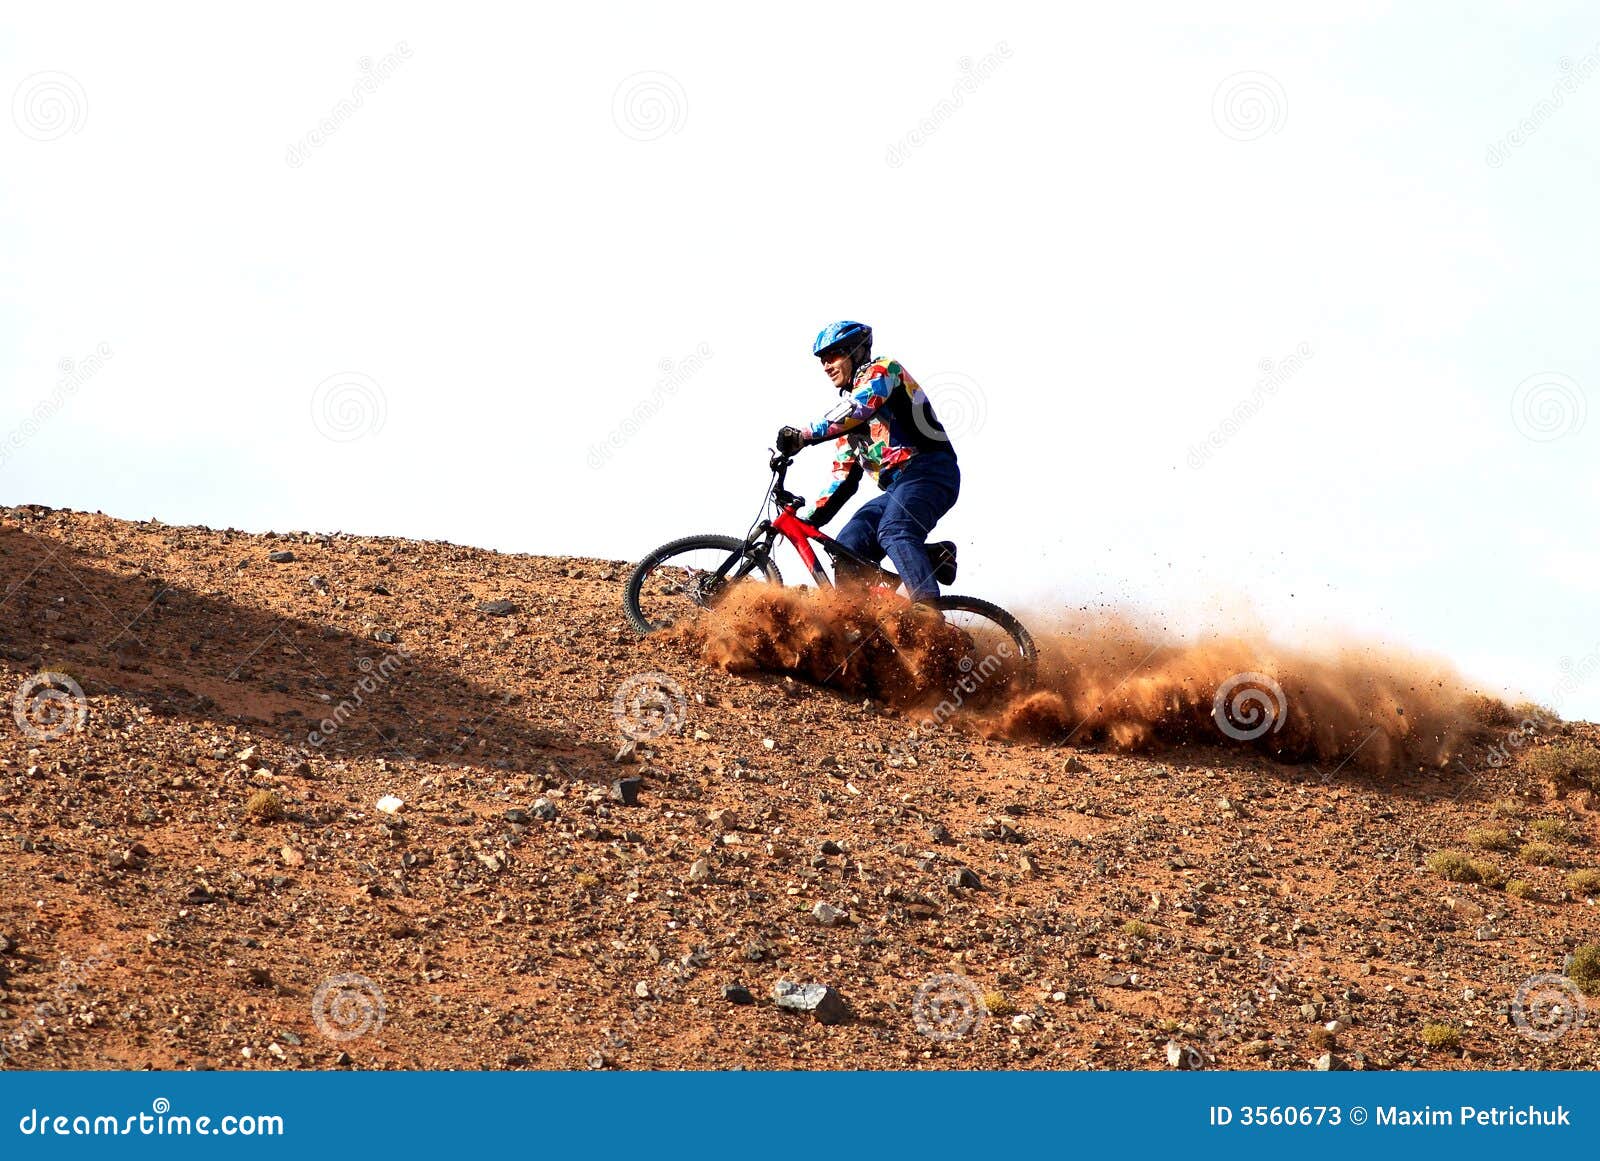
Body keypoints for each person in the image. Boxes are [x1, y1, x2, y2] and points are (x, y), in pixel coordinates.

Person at [776, 321, 960, 601]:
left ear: (856, 351)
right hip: (897, 488)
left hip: (929, 471)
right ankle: (862, 625)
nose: (826, 366)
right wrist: (809, 519)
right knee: (848, 548)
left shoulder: (884, 371)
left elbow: (859, 407)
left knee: (894, 529)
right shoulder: (847, 420)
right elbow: (844, 477)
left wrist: (803, 436)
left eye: (833, 356)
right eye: (822, 360)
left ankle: (928, 614)